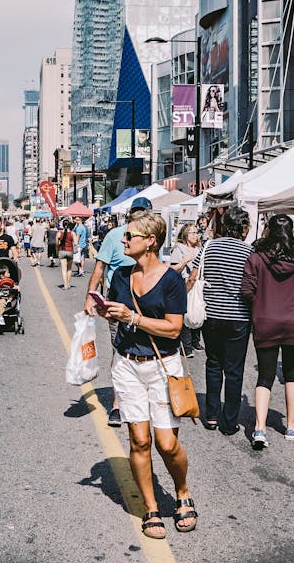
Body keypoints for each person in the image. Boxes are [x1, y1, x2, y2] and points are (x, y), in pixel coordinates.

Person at [97, 210, 195, 539]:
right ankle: (151, 507)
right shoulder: (121, 276)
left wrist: (132, 318)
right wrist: (104, 309)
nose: (123, 241)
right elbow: (116, 312)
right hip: (126, 366)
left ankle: (182, 491)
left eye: (129, 237)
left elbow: (174, 328)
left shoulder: (171, 281)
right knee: (139, 440)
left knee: (167, 444)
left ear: (150, 241)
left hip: (161, 367)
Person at [240, 213, 294, 448]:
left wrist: (259, 306)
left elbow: (246, 291)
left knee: (264, 376)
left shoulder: (256, 258)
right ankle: (292, 426)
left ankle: (260, 429)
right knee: (292, 374)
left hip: (265, 320)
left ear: (268, 231)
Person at [84, 197, 155, 427]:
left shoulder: (152, 238)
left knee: (148, 350)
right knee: (121, 351)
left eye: (143, 213)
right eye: (136, 213)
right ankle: (117, 404)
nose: (139, 216)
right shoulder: (115, 236)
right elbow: (100, 267)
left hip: (147, 303)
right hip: (118, 302)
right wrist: (89, 296)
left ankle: (146, 400)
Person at [200, 203, 253, 435]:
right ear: (242, 228)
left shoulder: (209, 247)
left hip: (210, 314)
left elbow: (194, 273)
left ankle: (211, 415)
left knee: (213, 363)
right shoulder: (249, 253)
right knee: (234, 369)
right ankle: (229, 422)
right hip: (238, 316)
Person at [169, 223, 204, 358]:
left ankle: (196, 341)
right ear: (185, 235)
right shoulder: (179, 248)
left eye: (196, 232)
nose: (195, 235)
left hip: (198, 284)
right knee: (185, 313)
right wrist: (185, 260)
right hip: (183, 284)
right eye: (192, 233)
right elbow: (173, 269)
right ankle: (186, 346)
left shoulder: (200, 249)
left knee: (197, 310)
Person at [57, 218, 77, 289]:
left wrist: (57, 250)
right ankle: (68, 284)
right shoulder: (72, 233)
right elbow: (76, 243)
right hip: (70, 251)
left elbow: (57, 243)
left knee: (63, 269)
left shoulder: (59, 233)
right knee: (69, 269)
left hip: (62, 251)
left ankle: (65, 284)